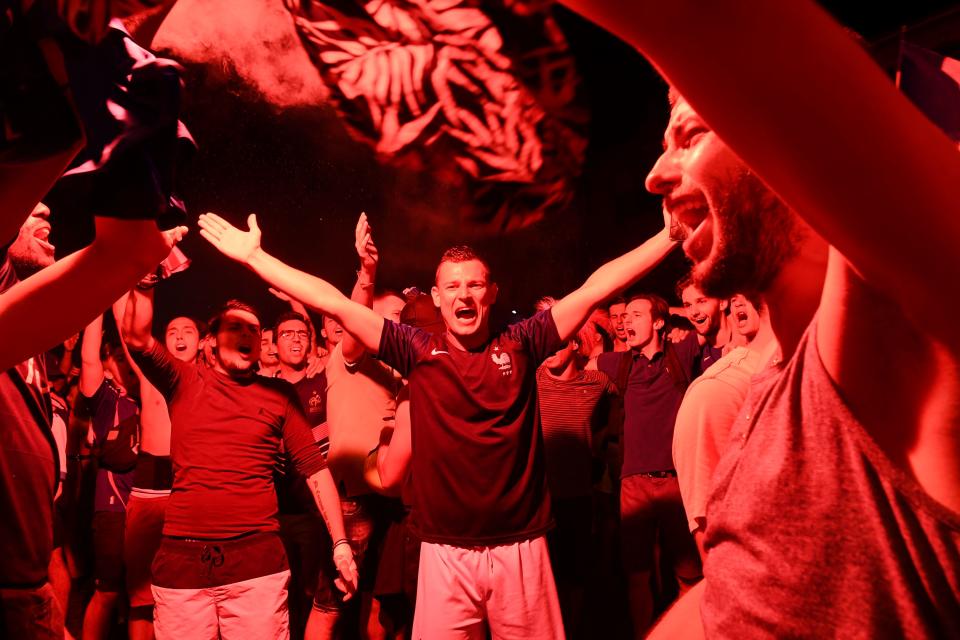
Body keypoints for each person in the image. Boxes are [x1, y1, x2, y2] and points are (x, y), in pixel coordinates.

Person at [564, 1, 960, 636]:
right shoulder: (774, 388)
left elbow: (723, 21)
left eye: (689, 135)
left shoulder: (902, 330)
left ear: (792, 136)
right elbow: (740, 591)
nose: (654, 176)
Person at [197, 204, 681, 639]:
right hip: (444, 553)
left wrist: (669, 236)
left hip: (523, 548)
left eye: (474, 284)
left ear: (492, 291)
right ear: (437, 295)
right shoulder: (418, 351)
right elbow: (336, 304)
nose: (463, 294)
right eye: (452, 286)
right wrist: (256, 258)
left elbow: (598, 286)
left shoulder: (522, 341)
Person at [121, 291, 358, 639]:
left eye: (253, 329)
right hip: (182, 566)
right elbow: (137, 337)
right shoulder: (184, 380)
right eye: (236, 327)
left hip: (256, 568)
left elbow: (315, 468)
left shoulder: (278, 395)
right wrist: (144, 281)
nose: (247, 335)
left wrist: (340, 544)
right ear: (212, 341)